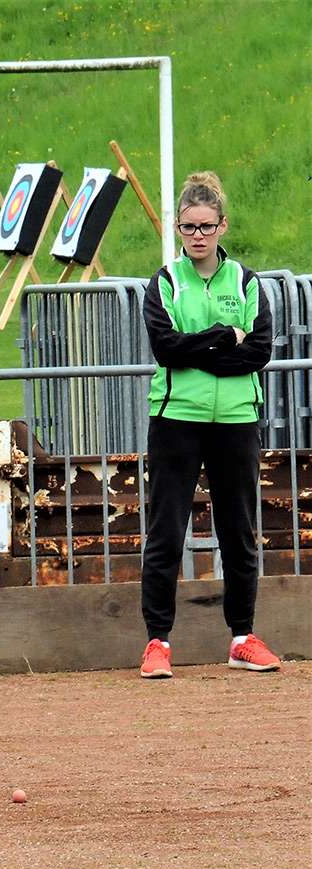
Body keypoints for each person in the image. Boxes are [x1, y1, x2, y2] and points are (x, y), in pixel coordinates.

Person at [139, 171, 278, 679]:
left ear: (222, 227)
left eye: (206, 226)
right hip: (176, 419)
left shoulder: (246, 281)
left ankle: (242, 636)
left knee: (239, 531)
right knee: (166, 532)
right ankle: (158, 642)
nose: (197, 235)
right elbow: (165, 348)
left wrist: (202, 348)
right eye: (188, 226)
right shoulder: (164, 282)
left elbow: (258, 351)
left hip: (237, 420)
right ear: (178, 228)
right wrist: (223, 336)